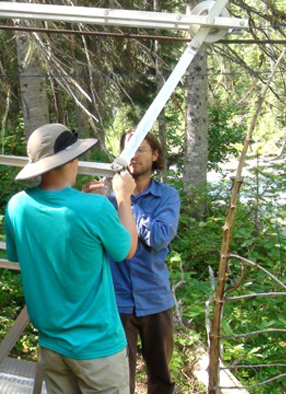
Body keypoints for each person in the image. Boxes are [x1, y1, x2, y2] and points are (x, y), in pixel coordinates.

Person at [4, 123, 138, 394]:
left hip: (52, 344)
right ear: (69, 161)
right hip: (98, 347)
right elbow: (127, 250)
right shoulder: (96, 208)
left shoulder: (16, 205)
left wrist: (83, 203)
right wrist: (124, 198)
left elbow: (25, 254)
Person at [85, 130, 181, 394]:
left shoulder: (167, 197)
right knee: (117, 378)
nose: (134, 155)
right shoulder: (105, 198)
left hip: (155, 299)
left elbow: (160, 237)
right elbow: (86, 243)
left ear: (155, 155)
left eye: (141, 149)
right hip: (116, 301)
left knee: (161, 377)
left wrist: (125, 200)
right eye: (129, 149)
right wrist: (85, 203)